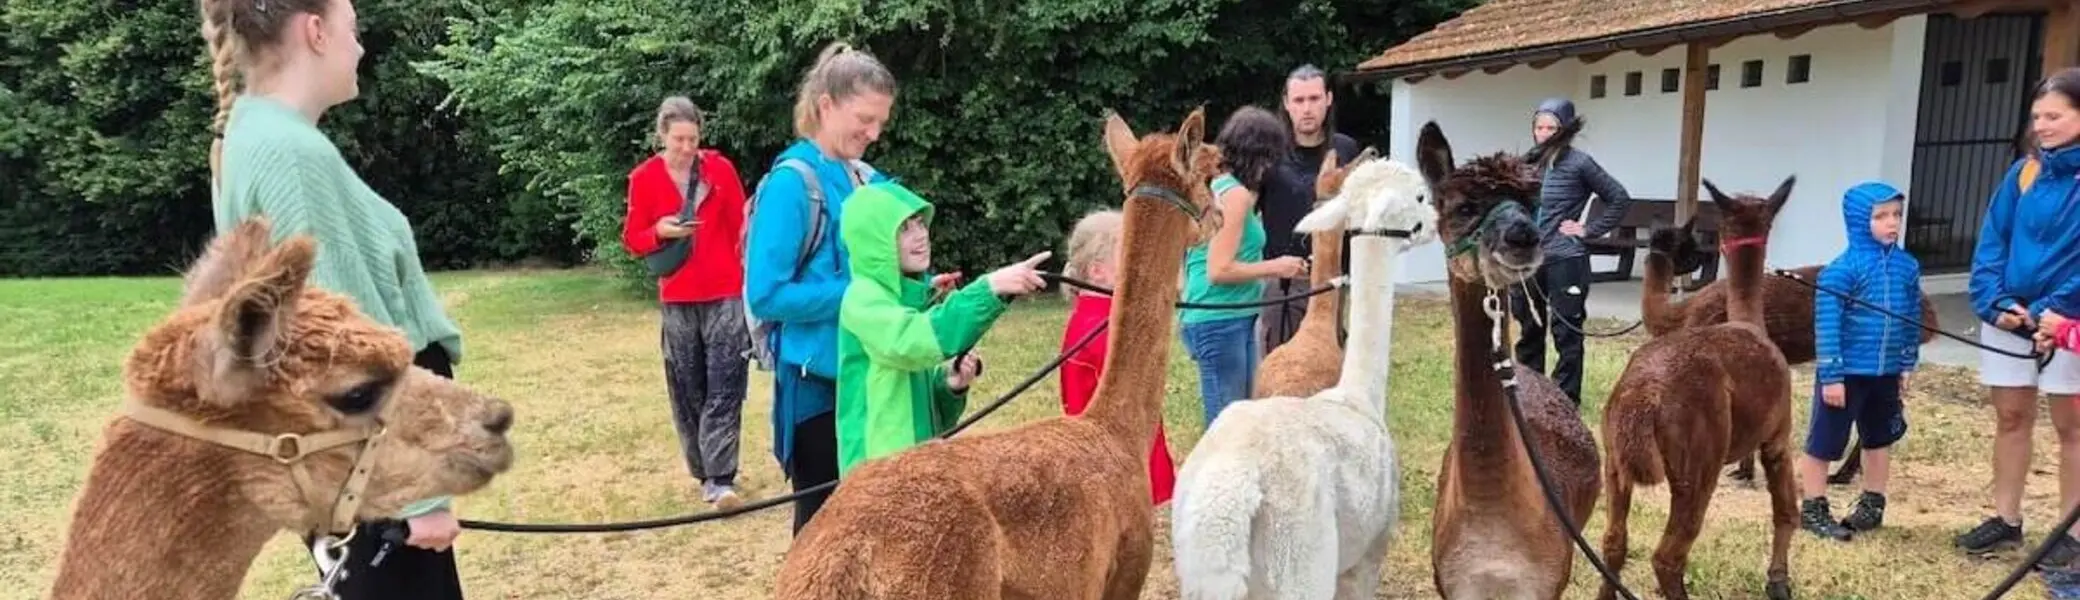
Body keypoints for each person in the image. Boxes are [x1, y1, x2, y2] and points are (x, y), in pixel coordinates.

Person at [198, 0, 469, 596]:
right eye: (353, 29)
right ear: (315, 32)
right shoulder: (292, 156)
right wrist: (418, 492)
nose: (361, 47)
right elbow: (345, 346)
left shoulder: (255, 132)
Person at [743, 41, 897, 535]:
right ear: (826, 105)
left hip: (870, 380)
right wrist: (852, 296)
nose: (873, 134)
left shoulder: (864, 179)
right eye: (864, 119)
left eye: (881, 123)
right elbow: (766, 294)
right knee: (823, 533)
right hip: (818, 392)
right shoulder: (792, 183)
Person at [831, 182, 1048, 474]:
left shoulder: (904, 301)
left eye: (920, 222)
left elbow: (923, 409)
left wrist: (949, 385)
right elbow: (914, 341)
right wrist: (989, 288)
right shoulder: (863, 299)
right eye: (904, 228)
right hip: (878, 479)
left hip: (917, 469)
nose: (921, 235)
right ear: (874, 240)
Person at [1958, 67, 2080, 569]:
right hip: (2012, 318)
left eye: (2054, 116)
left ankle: (2071, 531)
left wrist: (2062, 309)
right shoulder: (2024, 173)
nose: (2042, 126)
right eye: (2036, 117)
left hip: (2066, 324)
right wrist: (1995, 302)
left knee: (2072, 427)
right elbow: (1992, 242)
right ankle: (2006, 518)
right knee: (2011, 418)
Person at [619, 96, 751, 509]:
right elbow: (632, 239)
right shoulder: (644, 178)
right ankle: (703, 470)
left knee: (726, 383)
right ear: (662, 136)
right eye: (678, 139)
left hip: (725, 289)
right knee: (687, 387)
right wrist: (659, 230)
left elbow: (741, 226)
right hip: (677, 295)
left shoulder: (720, 169)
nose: (686, 147)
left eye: (692, 138)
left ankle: (722, 476)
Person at [1797, 181, 1920, 541]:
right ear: (1857, 220)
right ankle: (1814, 506)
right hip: (1847, 374)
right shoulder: (1840, 272)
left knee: (1879, 437)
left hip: (1885, 373)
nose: (1892, 223)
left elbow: (1912, 314)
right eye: (1881, 216)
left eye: (1896, 214)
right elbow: (1828, 326)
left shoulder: (1907, 267)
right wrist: (1832, 374)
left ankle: (1872, 503)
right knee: (1824, 441)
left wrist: (1907, 361)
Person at [1181, 106, 1307, 428]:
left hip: (1230, 315)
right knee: (1226, 425)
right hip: (1218, 317)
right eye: (1269, 157)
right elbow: (1219, 269)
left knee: (1241, 417)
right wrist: (1276, 266)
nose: (1270, 167)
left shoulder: (1220, 188)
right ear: (1256, 154)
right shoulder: (1234, 196)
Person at [1511, 97, 1634, 406]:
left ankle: (1566, 399)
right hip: (1528, 261)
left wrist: (1587, 230)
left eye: (1551, 127)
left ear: (1565, 130)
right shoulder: (1525, 164)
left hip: (1565, 258)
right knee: (1529, 327)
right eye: (1539, 126)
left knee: (1566, 331)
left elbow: (1619, 197)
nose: (1543, 133)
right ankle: (1530, 392)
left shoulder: (1580, 163)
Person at [1059, 210, 1176, 506]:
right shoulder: (1104, 327)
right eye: (1130, 254)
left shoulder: (1094, 317)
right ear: (1098, 271)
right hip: (1116, 463)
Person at [1257, 65, 1361, 356]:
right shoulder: (1269, 154)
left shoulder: (1346, 149)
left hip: (1332, 281)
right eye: (1300, 100)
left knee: (1328, 367)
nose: (1307, 109)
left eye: (1314, 99)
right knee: (1281, 370)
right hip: (1283, 285)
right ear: (1287, 104)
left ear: (1328, 99)